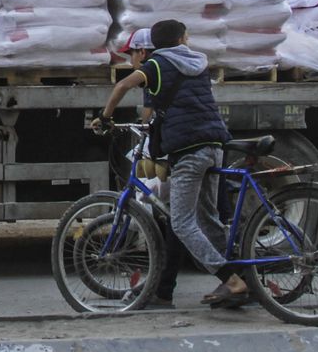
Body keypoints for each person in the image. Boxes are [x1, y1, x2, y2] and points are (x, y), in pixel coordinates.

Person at [98, 21, 246, 309]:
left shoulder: (156, 65)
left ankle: (232, 279)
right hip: (214, 144)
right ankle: (241, 278)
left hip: (189, 149)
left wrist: (105, 117)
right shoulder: (197, 62)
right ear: (180, 39)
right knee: (209, 218)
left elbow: (123, 85)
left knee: (181, 222)